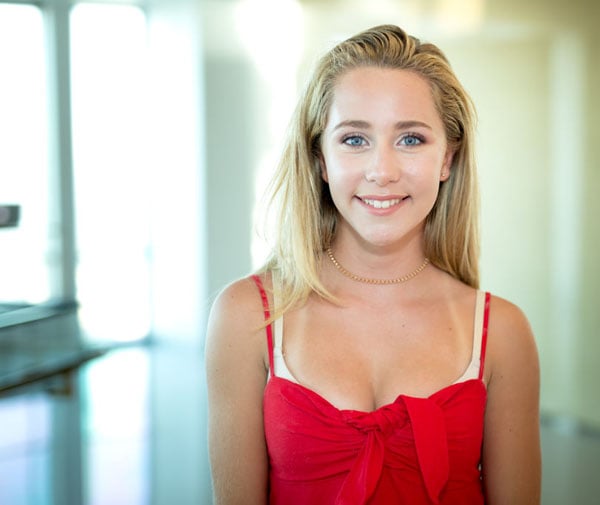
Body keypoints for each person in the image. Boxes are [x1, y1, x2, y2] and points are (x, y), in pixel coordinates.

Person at [205, 24, 541, 505]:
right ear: (321, 159)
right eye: (354, 139)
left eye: (411, 139)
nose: (382, 172)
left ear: (447, 159)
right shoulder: (247, 316)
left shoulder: (502, 332)